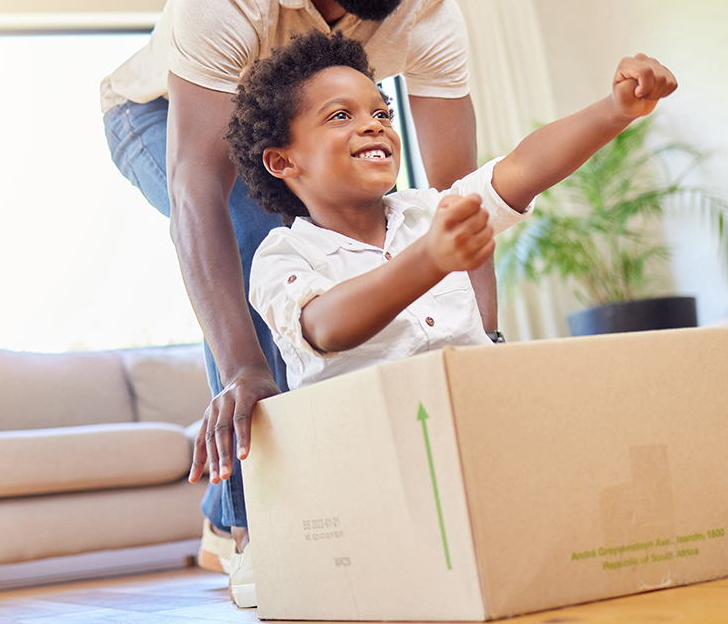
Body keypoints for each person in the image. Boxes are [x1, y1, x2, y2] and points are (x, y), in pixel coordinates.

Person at [100, 0, 493, 604]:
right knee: (268, 248)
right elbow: (196, 189)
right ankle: (251, 524)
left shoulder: (427, 11)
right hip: (158, 120)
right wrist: (245, 367)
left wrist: (482, 339)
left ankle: (292, 507)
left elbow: (457, 202)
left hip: (303, 129)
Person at [228, 31, 677, 389]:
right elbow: (325, 325)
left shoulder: (429, 209)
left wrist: (614, 111)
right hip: (374, 456)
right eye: (339, 116)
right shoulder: (282, 255)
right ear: (283, 161)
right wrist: (428, 260)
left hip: (482, 415)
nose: (373, 125)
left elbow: (521, 169)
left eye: (382, 114)